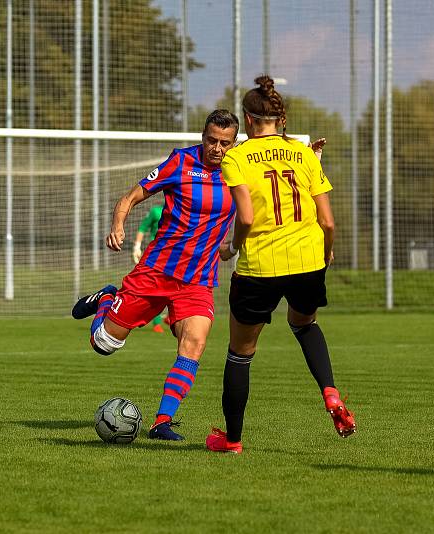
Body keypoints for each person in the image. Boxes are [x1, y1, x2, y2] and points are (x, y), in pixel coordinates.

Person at [205, 76, 355, 455]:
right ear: (279, 118)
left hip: (261, 266)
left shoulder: (236, 157)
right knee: (304, 325)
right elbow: (329, 222)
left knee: (240, 352)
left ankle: (233, 441)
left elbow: (247, 216)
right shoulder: (304, 153)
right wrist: (327, 251)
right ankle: (332, 394)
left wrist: (232, 248)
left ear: (249, 120)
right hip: (307, 259)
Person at [71, 110, 240, 441]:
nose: (217, 149)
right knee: (103, 344)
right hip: (155, 272)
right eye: (211, 140)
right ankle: (107, 298)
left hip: (198, 281)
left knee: (195, 342)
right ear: (202, 137)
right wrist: (118, 223)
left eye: (224, 143)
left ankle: (162, 422)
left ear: (234, 144)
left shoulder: (240, 173)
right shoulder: (180, 162)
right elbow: (131, 196)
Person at [131, 204, 167, 333]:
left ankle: (170, 317)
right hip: (156, 253)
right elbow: (143, 227)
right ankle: (157, 322)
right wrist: (137, 246)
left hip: (174, 253)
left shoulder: (183, 210)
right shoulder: (156, 211)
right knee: (156, 287)